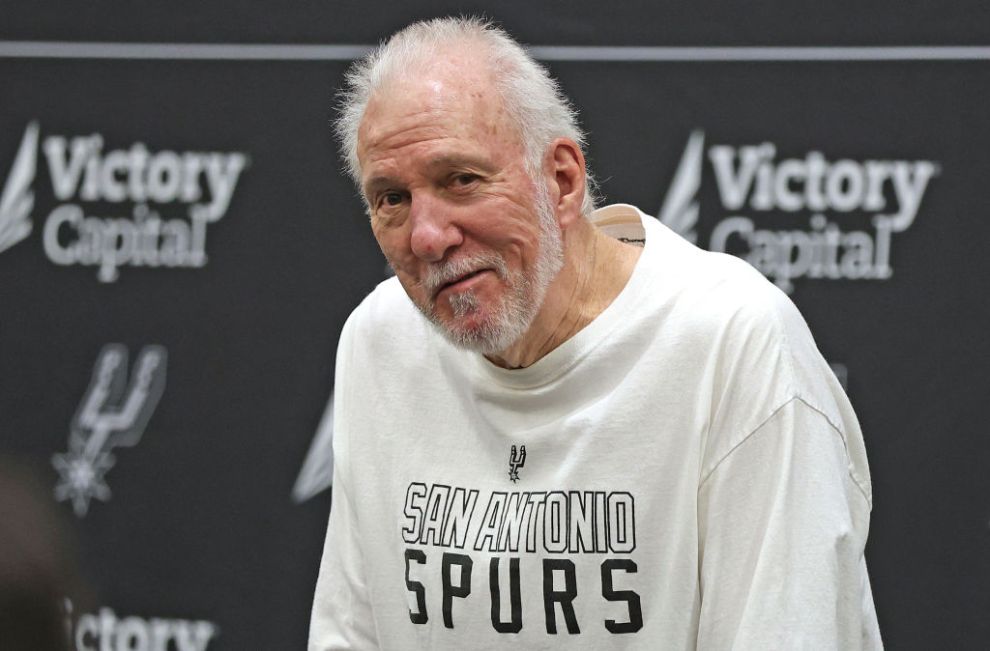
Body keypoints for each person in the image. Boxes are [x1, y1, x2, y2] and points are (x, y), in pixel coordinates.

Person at [310, 16, 882, 650]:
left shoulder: (734, 342)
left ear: (561, 181)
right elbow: (350, 632)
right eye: (391, 198)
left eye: (461, 180)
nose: (427, 235)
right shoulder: (379, 340)